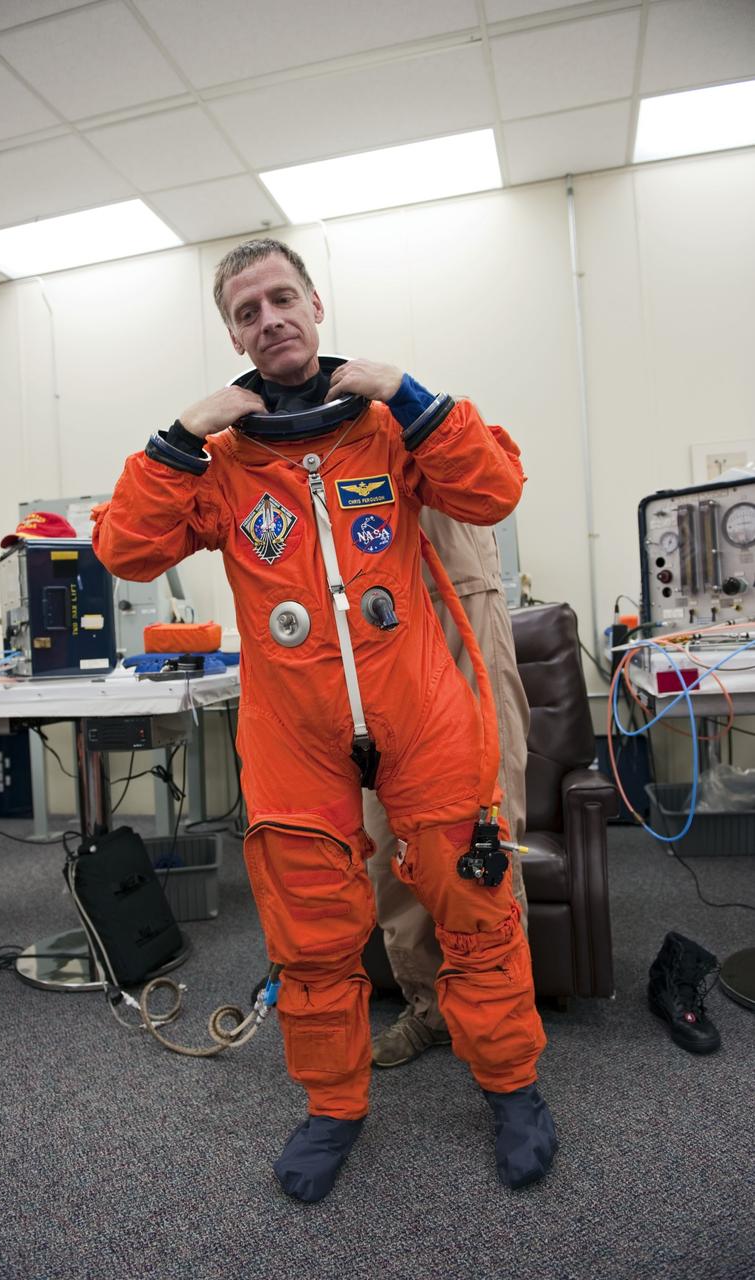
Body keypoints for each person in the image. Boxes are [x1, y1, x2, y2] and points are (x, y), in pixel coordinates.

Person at [92, 238, 556, 1202]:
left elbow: (493, 488)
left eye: (281, 299)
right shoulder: (218, 463)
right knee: (307, 932)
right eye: (246, 312)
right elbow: (126, 550)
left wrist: (415, 394)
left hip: (420, 706)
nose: (269, 320)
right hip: (292, 727)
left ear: (313, 303)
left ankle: (512, 1087)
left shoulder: (391, 427)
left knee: (472, 904)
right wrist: (181, 433)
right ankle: (333, 1104)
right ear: (232, 333)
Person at [366, 511, 531, 1067]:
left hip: (450, 584)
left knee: (480, 836)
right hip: (358, 600)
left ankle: (501, 1031)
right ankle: (430, 1009)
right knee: (387, 840)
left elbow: (483, 476)